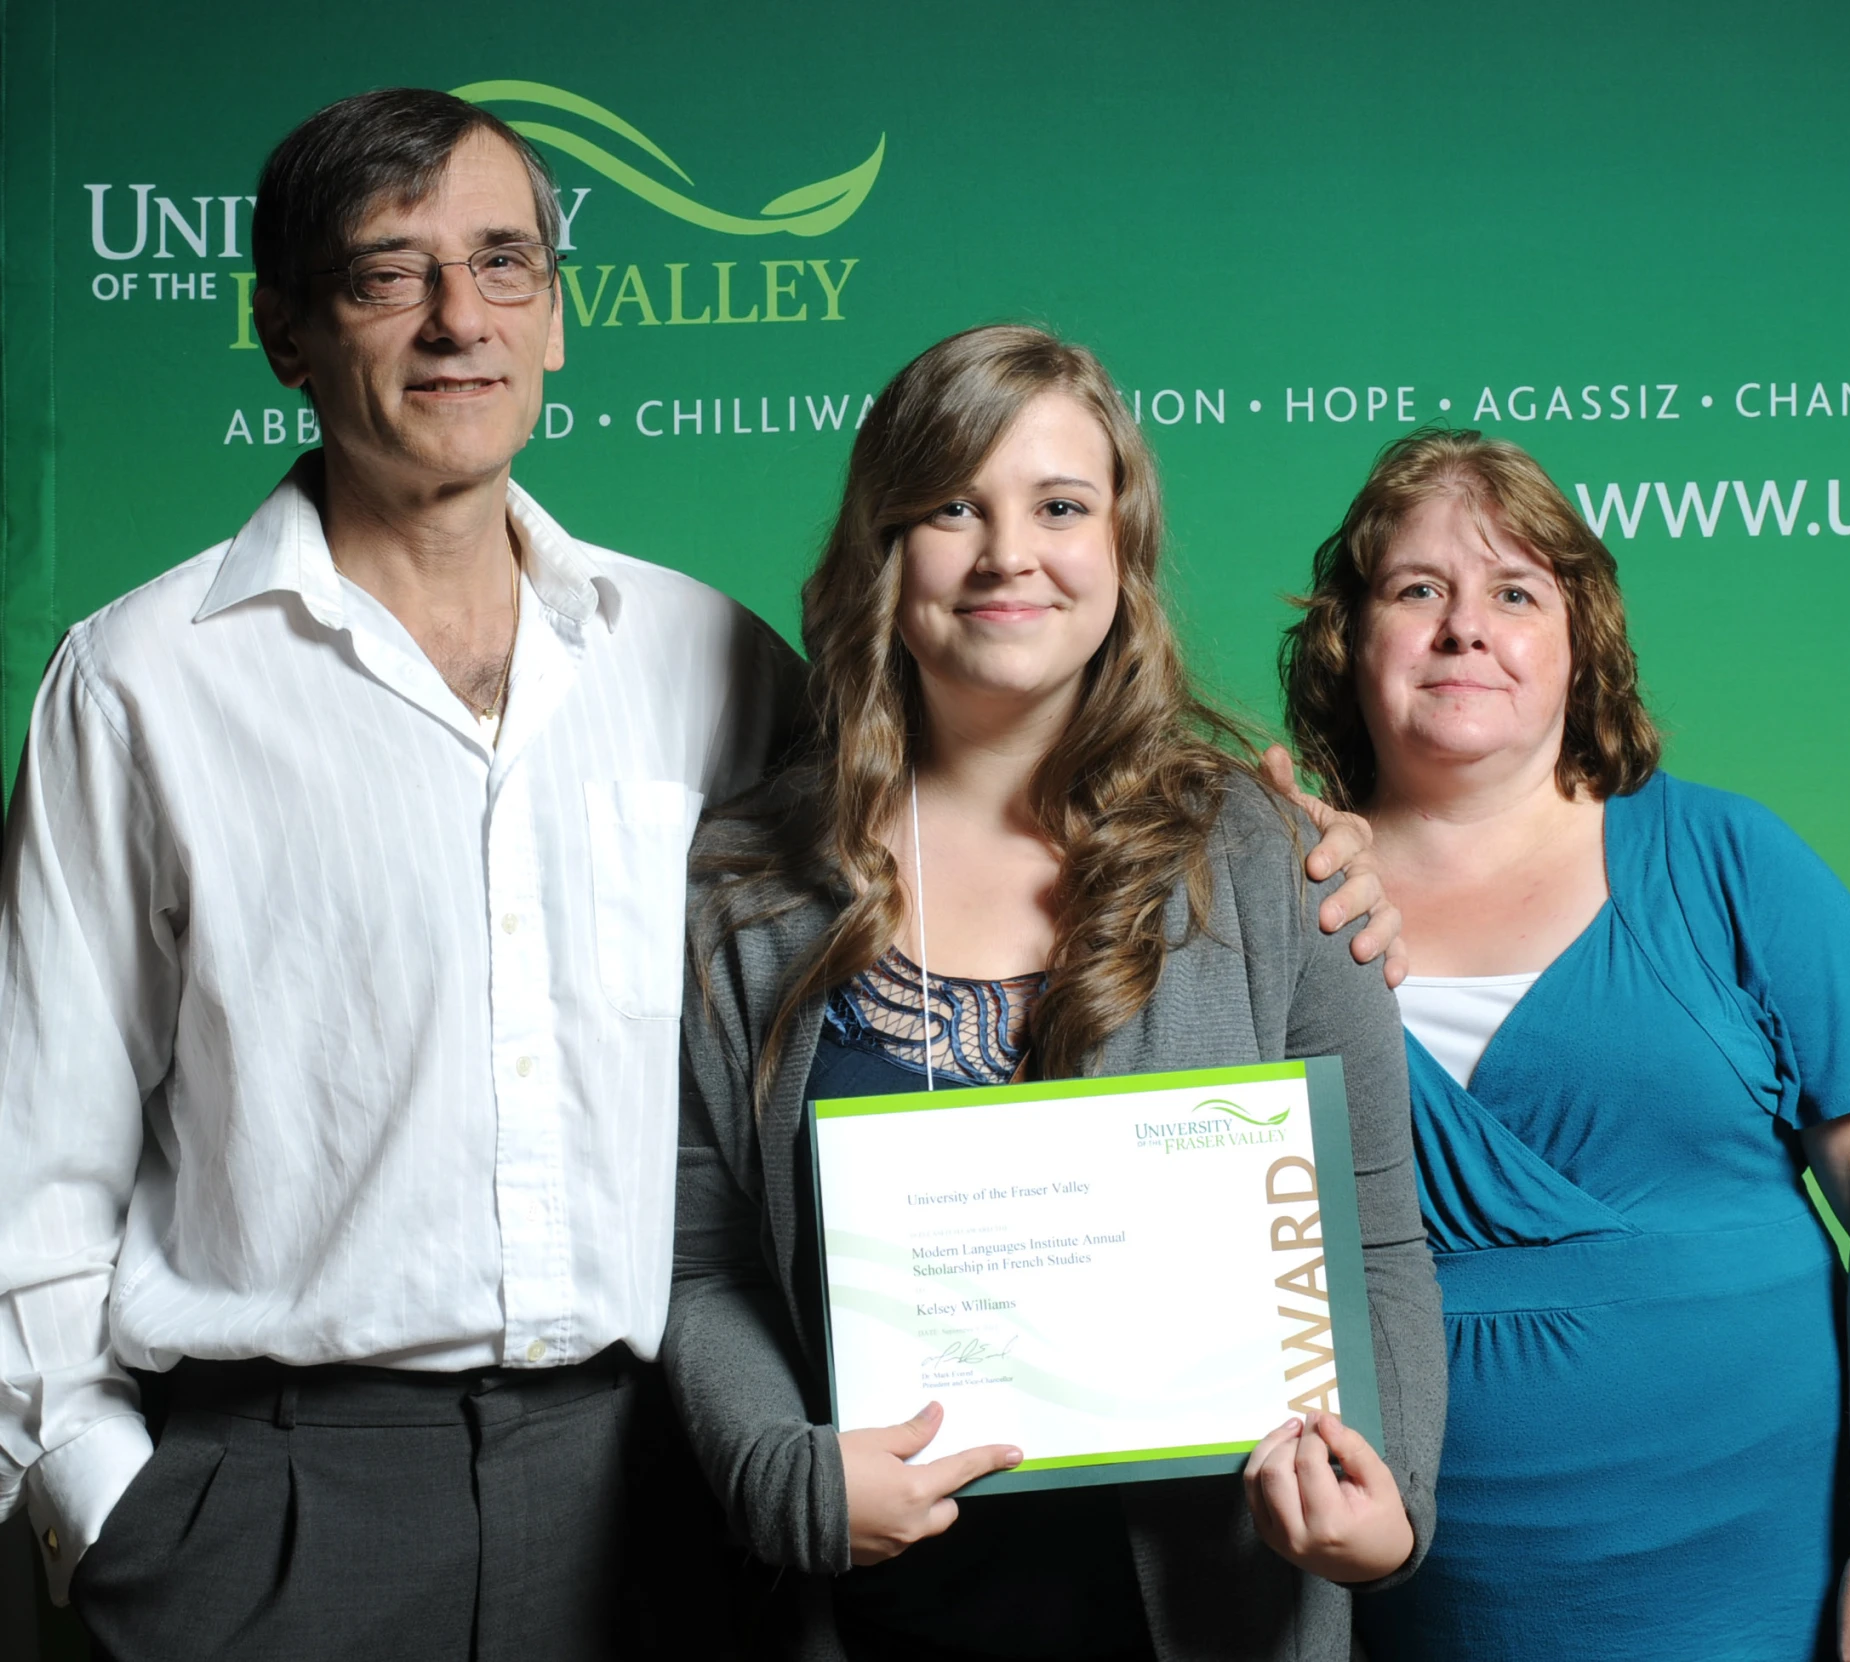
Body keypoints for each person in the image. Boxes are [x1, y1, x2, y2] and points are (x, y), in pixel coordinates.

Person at [0, 89, 806, 1659]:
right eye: (389, 273)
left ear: (559, 321)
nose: (459, 321)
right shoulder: (140, 682)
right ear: (284, 331)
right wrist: (114, 1511)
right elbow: (31, 1161)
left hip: (659, 1488)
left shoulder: (713, 661)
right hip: (276, 1505)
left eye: (505, 265)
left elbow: (955, 897)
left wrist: (1289, 846)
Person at [666, 324, 1448, 1662]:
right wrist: (781, 1471)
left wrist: (1389, 1501)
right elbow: (699, 1255)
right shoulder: (746, 885)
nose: (1008, 553)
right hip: (874, 1616)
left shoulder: (1265, 855)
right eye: (951, 506)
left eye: (1060, 506)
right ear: (881, 550)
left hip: (1211, 1611)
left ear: (1123, 552)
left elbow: (1370, 1223)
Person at [1281, 430, 1850, 1662]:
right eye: (1415, 590)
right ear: (1349, 637)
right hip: (1407, 1588)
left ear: (1577, 639)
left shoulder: (1727, 862)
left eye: (1513, 591)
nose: (1464, 628)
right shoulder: (1265, 899)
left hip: (1765, 1575)